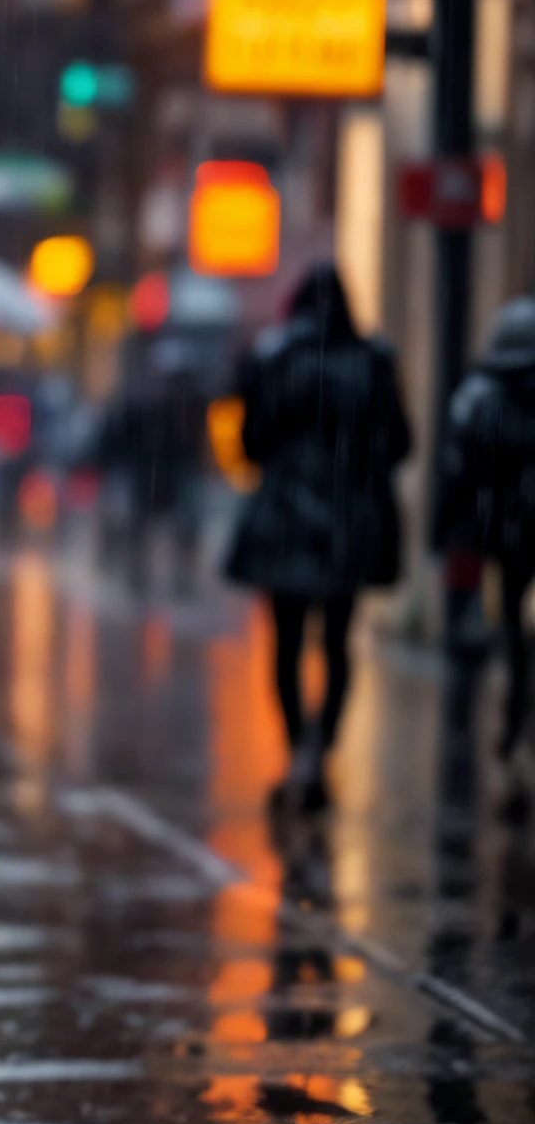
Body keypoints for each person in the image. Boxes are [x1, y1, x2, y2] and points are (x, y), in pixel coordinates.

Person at [226, 263, 410, 812]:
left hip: (285, 519)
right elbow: (400, 442)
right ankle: (319, 748)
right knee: (337, 641)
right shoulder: (374, 361)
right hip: (349, 522)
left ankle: (295, 748)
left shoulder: (273, 357)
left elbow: (253, 443)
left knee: (285, 644)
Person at [435, 295, 535, 814]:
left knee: (497, 630)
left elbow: (456, 471)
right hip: (521, 528)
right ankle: (516, 728)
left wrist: (448, 530)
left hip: (493, 529)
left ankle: (498, 735)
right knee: (516, 631)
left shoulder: (478, 396)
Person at [94, 338, 209, 593]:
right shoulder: (140, 400)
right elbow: (118, 436)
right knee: (141, 525)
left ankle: (180, 579)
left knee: (183, 527)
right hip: (148, 470)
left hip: (177, 470)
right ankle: (138, 576)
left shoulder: (191, 401)